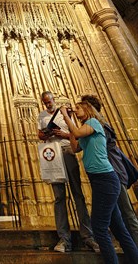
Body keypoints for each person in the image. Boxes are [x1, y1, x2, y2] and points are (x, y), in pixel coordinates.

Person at [60, 101, 138, 264]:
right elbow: (75, 148)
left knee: (99, 229)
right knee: (118, 228)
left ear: (88, 109)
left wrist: (66, 116)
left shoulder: (94, 123)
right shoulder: (85, 130)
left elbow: (77, 132)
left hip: (106, 179)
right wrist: (70, 126)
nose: (75, 109)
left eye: (78, 107)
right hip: (99, 180)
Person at [37, 91, 98, 253]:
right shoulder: (41, 116)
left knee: (77, 193)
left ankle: (88, 237)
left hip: (67, 150)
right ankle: (64, 239)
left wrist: (62, 134)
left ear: (53, 99)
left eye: (49, 101)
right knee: (59, 197)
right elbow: (39, 135)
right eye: (45, 102)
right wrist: (46, 134)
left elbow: (76, 132)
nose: (48, 104)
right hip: (52, 155)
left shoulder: (66, 112)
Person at [81, 94, 138, 245]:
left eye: (80, 107)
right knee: (116, 218)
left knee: (126, 214)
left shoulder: (98, 125)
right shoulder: (96, 124)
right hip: (106, 175)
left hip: (112, 174)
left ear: (89, 108)